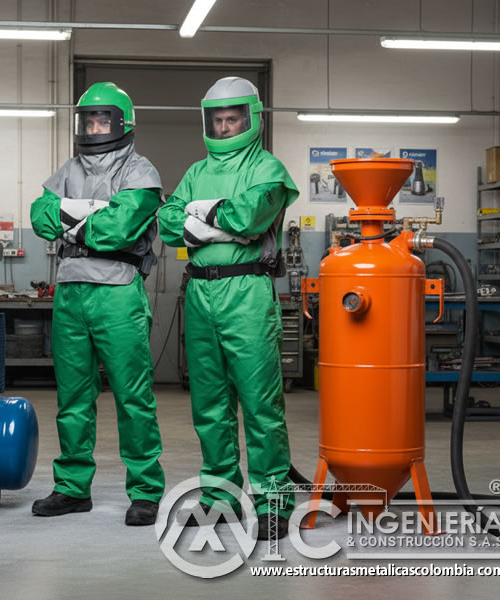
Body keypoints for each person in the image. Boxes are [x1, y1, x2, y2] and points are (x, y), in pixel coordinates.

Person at [158, 76, 299, 539]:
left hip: (247, 294)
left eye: (231, 118)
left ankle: (273, 500)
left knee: (260, 403)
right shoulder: (197, 171)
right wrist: (222, 220)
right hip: (200, 293)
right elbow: (167, 223)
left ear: (250, 118)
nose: (223, 126)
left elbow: (250, 215)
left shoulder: (268, 168)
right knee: (210, 405)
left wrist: (202, 217)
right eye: (216, 120)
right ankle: (220, 495)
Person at [30, 82, 165, 527]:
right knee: (72, 397)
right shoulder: (68, 168)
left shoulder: (140, 171)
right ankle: (72, 488)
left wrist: (72, 219)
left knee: (133, 398)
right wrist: (91, 213)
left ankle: (145, 490)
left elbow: (120, 229)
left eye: (102, 119)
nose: (94, 127)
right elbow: (39, 216)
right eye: (88, 119)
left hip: (118, 290)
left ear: (121, 122)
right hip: (70, 290)